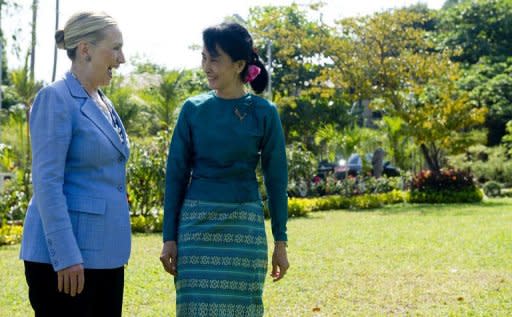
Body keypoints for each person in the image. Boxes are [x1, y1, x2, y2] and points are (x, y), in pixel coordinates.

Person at [160, 22, 290, 316]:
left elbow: (276, 181)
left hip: (244, 229)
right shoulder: (192, 110)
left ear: (239, 64)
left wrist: (280, 242)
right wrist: (169, 238)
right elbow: (175, 177)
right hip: (195, 231)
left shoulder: (264, 113)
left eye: (214, 59)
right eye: (204, 57)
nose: (206, 66)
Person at [19, 11, 130, 317]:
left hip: (104, 256)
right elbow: (47, 184)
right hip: (66, 261)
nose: (122, 58)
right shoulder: (55, 98)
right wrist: (66, 256)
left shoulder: (102, 101)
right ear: (85, 49)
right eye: (116, 47)